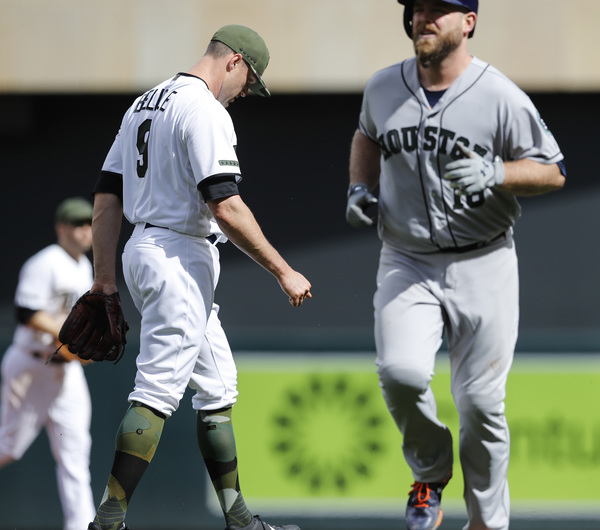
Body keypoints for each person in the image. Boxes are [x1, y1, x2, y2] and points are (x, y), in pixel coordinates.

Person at [346, 1, 566, 529]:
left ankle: (486, 522)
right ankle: (429, 473)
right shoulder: (383, 86)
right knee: (400, 374)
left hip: (483, 260)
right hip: (407, 259)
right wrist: (358, 186)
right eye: (418, 8)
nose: (424, 18)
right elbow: (367, 135)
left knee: (480, 405)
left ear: (468, 22)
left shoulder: (499, 94)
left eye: (440, 9)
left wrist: (499, 173)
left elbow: (553, 170)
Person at [86, 25, 312, 530]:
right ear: (234, 61)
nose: (245, 94)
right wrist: (283, 270)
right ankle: (107, 522)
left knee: (217, 386)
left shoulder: (143, 103)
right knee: (157, 390)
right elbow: (225, 205)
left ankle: (239, 520)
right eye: (249, 82)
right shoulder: (205, 110)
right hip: (179, 254)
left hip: (145, 247)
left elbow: (106, 196)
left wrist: (104, 279)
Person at [0, 197, 96, 530]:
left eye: (89, 223)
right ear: (61, 228)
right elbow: (26, 312)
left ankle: (81, 525)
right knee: (8, 447)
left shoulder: (84, 267)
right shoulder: (45, 263)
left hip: (65, 372)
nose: (86, 230)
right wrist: (70, 335)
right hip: (31, 366)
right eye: (78, 224)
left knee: (75, 452)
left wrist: (81, 344)